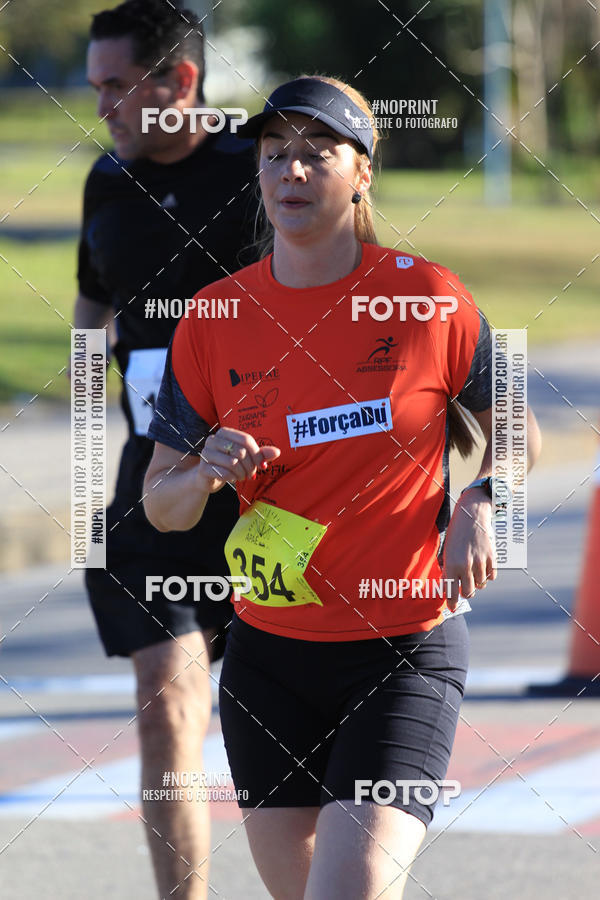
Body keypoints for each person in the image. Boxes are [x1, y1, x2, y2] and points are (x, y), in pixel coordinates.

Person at [143, 75, 542, 899]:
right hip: (266, 660)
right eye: (274, 155)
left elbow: (518, 430)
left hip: (404, 649)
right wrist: (204, 470)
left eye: (316, 154)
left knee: (348, 888)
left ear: (361, 173)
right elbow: (160, 505)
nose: (291, 171)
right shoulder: (215, 316)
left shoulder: (429, 297)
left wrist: (483, 500)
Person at [73, 1, 258, 896]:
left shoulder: (261, 167)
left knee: (280, 718)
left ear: (179, 81)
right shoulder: (108, 179)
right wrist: (81, 442)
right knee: (167, 708)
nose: (101, 105)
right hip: (154, 485)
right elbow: (89, 312)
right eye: (94, 86)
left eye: (116, 86)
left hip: (270, 493)